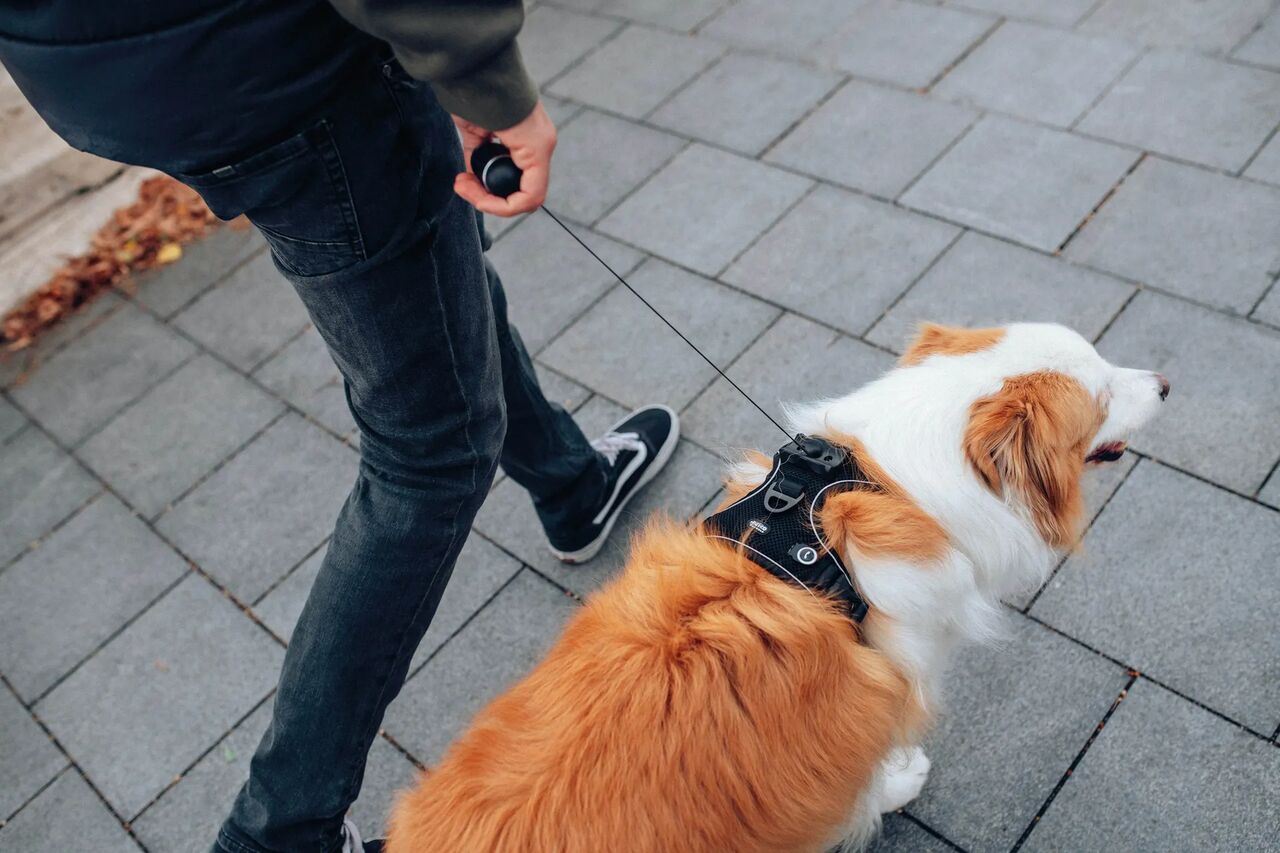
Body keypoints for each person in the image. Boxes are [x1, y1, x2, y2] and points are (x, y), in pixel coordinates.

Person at [0, 2, 679, 850]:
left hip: (127, 73)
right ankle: (280, 828)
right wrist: (486, 83)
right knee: (428, 454)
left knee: (434, 294)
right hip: (284, 66)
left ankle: (572, 482)